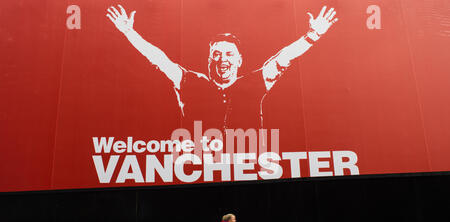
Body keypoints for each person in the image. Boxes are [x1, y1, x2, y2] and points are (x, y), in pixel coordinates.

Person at [106, 4, 338, 131]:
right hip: (196, 165)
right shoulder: (189, 82)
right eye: (216, 54)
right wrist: (129, 32)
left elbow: (283, 58)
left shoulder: (255, 83)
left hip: (247, 163)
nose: (222, 59)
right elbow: (158, 59)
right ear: (208, 59)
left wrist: (313, 35)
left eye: (229, 54)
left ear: (239, 60)